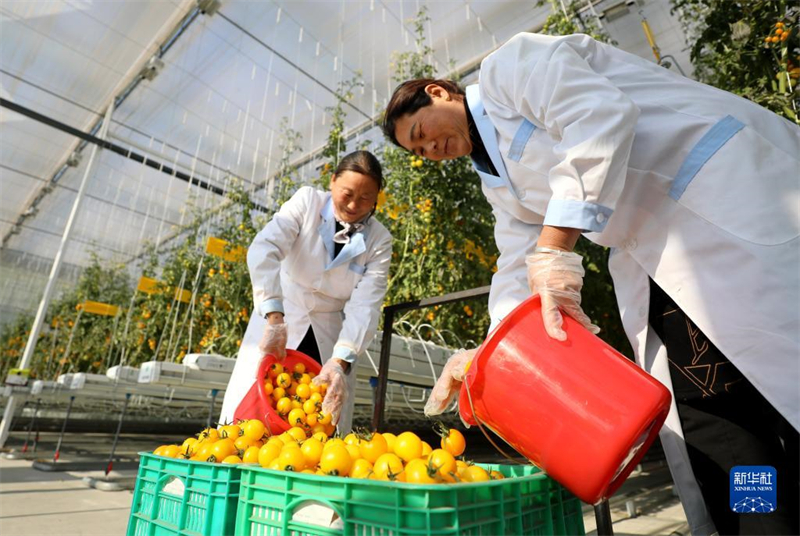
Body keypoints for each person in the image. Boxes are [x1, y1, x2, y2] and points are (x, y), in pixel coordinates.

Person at [382, 32, 799, 535]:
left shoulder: (508, 69)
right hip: (659, 263)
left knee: (760, 393)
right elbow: (516, 262)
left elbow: (598, 115)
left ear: (438, 92)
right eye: (420, 151)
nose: (430, 147)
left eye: (422, 131)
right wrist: (489, 352)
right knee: (712, 415)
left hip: (726, 199)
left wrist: (556, 245)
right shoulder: (495, 182)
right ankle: (764, 524)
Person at [219, 150, 392, 434]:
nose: (353, 204)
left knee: (314, 422)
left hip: (330, 335)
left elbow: (366, 304)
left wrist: (339, 362)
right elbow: (265, 249)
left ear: (376, 198)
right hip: (282, 316)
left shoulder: (379, 240)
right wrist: (274, 317)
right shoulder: (307, 202)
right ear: (333, 181)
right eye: (347, 193)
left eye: (365, 199)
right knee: (252, 416)